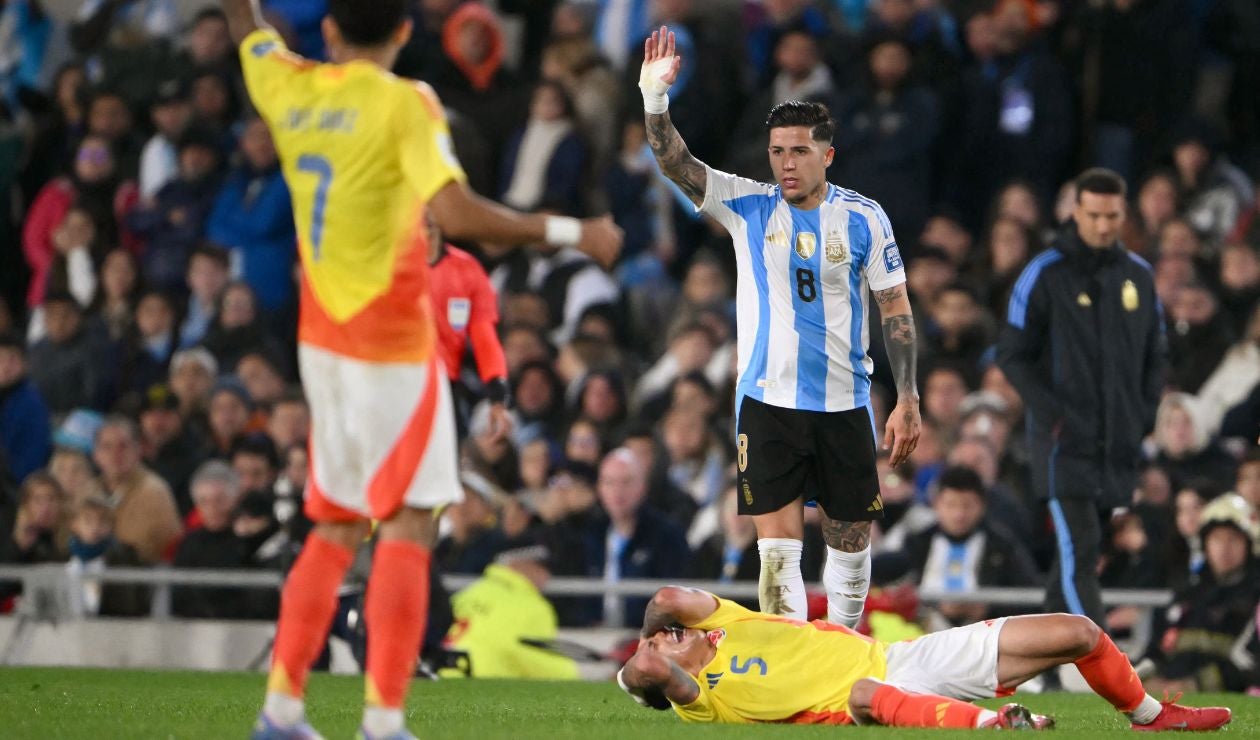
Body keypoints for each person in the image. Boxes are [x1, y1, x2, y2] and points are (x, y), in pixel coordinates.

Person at [221, 3, 622, 739]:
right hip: (394, 350)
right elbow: (457, 213)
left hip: (322, 348)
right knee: (409, 524)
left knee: (336, 524)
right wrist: (572, 231)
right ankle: (382, 720)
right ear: (405, 33)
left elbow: (250, 27)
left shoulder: (290, 84)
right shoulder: (407, 102)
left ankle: (280, 710)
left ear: (331, 32)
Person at [638, 27, 921, 626]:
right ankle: (797, 679)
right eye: (776, 152)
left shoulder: (866, 219)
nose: (786, 164)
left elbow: (895, 307)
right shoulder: (747, 205)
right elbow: (674, 162)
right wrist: (654, 97)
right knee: (777, 554)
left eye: (799, 151)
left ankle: (844, 661)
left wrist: (907, 397)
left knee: (849, 546)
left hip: (845, 403)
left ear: (827, 154)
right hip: (767, 402)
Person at [617, 586, 1233, 731]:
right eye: (660, 641)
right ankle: (999, 726)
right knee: (862, 694)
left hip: (905, 656)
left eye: (663, 633)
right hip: (868, 701)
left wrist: (653, 626)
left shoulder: (728, 622)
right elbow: (648, 675)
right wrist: (636, 665)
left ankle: (1151, 715)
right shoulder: (705, 703)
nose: (665, 635)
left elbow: (666, 597)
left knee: (1077, 631)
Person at [997, 168, 1166, 627]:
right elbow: (1012, 354)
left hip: (1118, 445)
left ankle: (1046, 669)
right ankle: (1113, 672)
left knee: (1076, 557)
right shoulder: (1044, 273)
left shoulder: (1139, 277)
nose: (1104, 226)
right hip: (1062, 446)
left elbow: (1157, 354)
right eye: (1094, 215)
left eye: (1112, 215)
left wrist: (1143, 416)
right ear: (1076, 212)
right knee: (1081, 548)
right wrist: (1054, 415)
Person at [424, 217, 510, 439]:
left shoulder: (466, 270)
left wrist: (497, 396)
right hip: (397, 381)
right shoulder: (390, 265)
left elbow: (485, 338)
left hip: (445, 390)